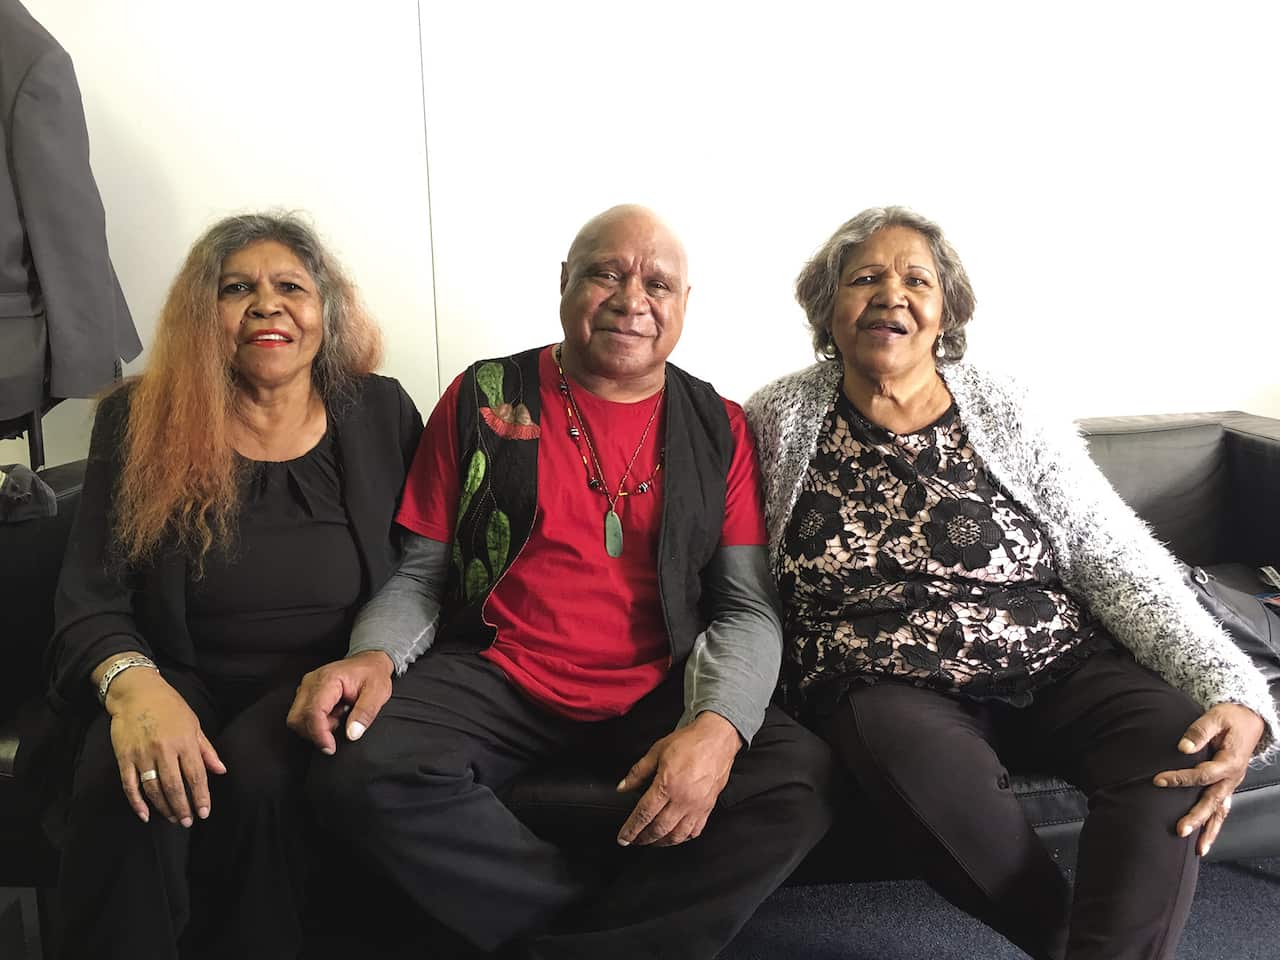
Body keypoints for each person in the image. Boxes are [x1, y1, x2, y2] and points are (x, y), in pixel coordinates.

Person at [288, 204, 835, 959]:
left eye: (657, 284)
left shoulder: (718, 424)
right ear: (565, 283)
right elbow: (421, 573)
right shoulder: (484, 396)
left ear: (683, 304)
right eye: (606, 273)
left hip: (659, 679)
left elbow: (745, 606)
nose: (632, 300)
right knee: (358, 772)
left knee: (798, 781)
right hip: (499, 668)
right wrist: (373, 655)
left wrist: (717, 726)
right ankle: (597, 933)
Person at [744, 206, 1279, 960]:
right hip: (884, 678)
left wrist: (1231, 687)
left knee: (1173, 742)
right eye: (865, 279)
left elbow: (1112, 554)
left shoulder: (1007, 406)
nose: (891, 295)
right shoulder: (775, 418)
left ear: (945, 312)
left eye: (916, 280)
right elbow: (740, 571)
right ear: (828, 307)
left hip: (1054, 658)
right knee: (919, 770)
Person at [46, 213, 422, 960]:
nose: (266, 305)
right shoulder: (136, 417)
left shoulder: (379, 409)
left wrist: (373, 662)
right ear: (202, 313)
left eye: (291, 287)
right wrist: (135, 689)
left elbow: (426, 570)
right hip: (173, 674)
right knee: (128, 785)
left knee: (262, 782)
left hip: (325, 679)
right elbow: (89, 594)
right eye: (236, 288)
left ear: (326, 311)